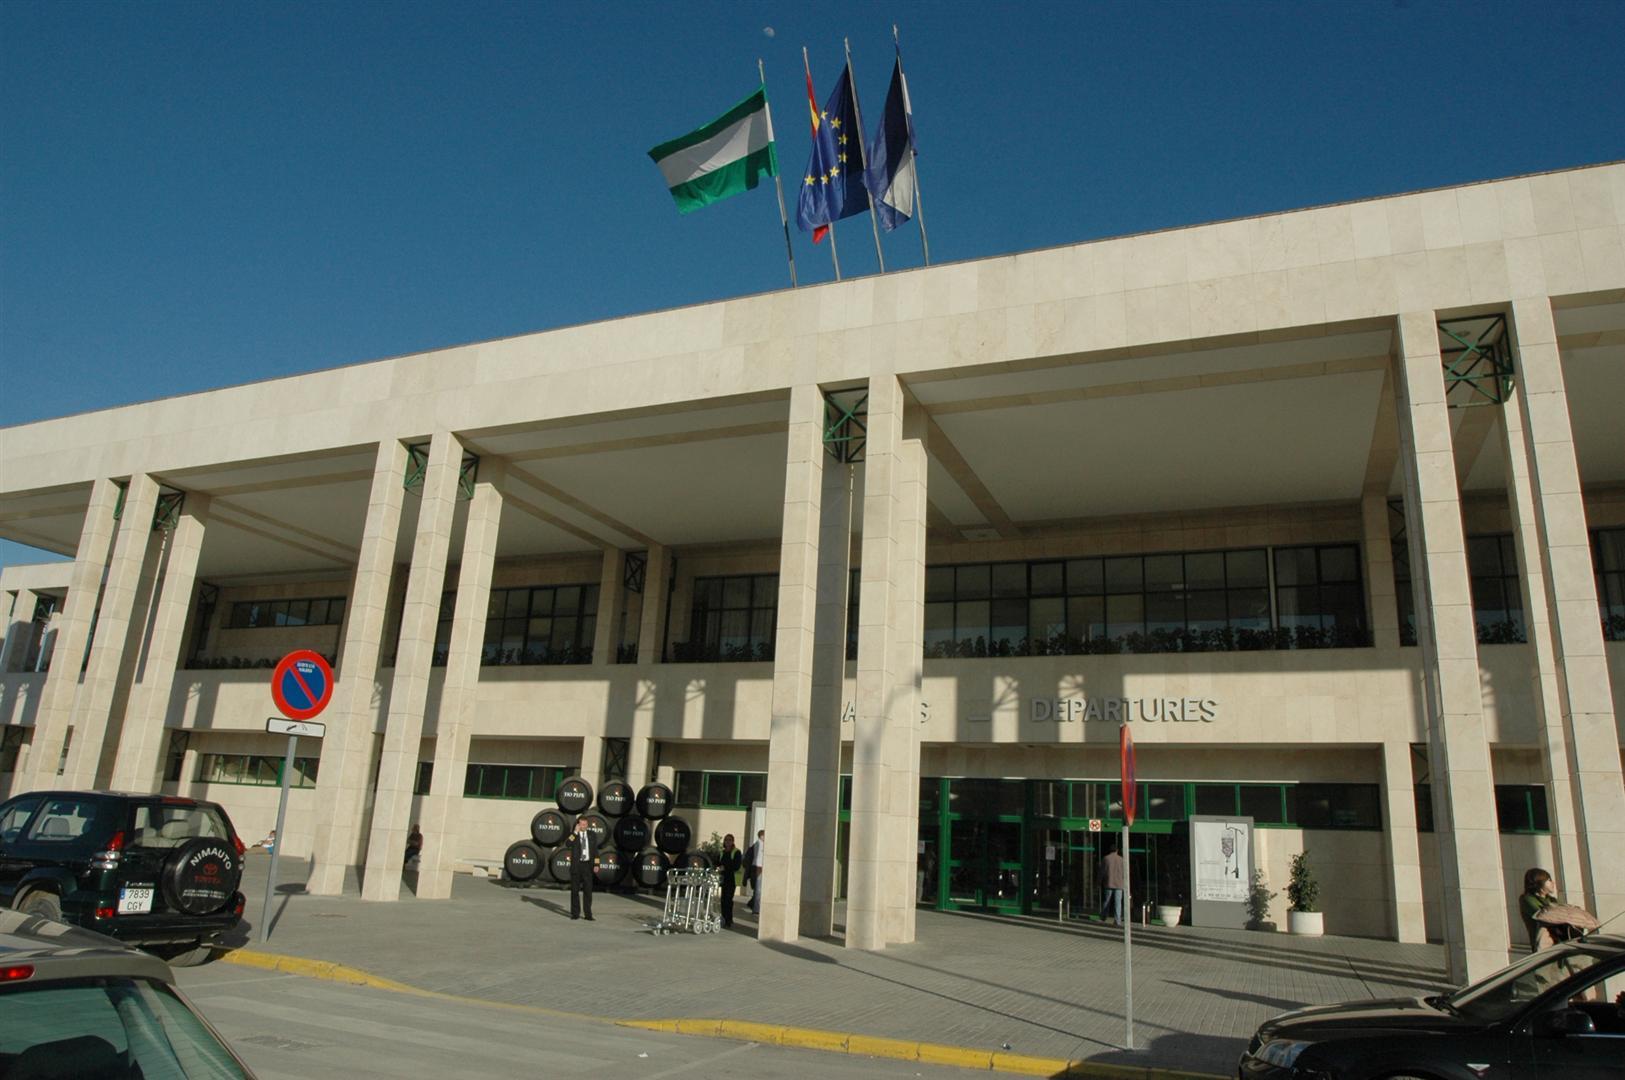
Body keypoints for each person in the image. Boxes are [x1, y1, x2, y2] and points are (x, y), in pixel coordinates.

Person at [568, 817, 601, 921]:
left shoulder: (592, 835)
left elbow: (595, 851)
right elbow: (568, 844)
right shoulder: (574, 835)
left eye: (585, 824)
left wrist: (597, 864)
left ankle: (588, 914)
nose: (584, 826)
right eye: (582, 824)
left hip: (588, 865)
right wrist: (575, 832)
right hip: (576, 866)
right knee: (575, 891)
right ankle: (575, 914)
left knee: (588, 891)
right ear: (578, 825)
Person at [717, 834, 744, 928]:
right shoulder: (722, 852)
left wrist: (725, 867)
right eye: (726, 840)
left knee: (728, 899)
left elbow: (736, 866)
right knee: (723, 899)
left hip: (732, 879)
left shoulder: (736, 852)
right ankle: (723, 918)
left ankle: (729, 919)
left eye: (729, 840)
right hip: (724, 879)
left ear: (733, 841)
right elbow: (718, 862)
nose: (727, 842)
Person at [1100, 845, 1125, 926]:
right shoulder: (1121, 860)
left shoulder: (1106, 858)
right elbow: (1125, 872)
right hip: (1119, 884)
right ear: (1117, 850)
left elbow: (1102, 872)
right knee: (1118, 903)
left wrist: (1099, 881)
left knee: (1107, 900)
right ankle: (1117, 920)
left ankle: (1103, 916)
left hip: (1108, 883)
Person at [747, 829, 765, 915]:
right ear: (761, 836)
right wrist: (759, 868)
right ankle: (756, 908)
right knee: (758, 889)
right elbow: (758, 857)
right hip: (758, 868)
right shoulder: (759, 844)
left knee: (758, 889)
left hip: (757, 868)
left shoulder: (758, 844)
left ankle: (754, 906)